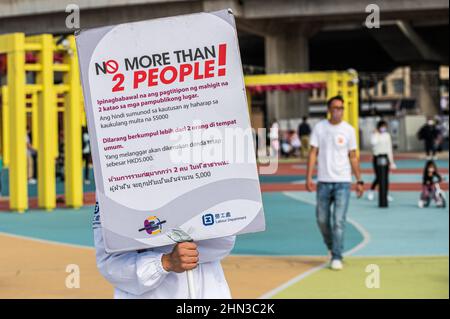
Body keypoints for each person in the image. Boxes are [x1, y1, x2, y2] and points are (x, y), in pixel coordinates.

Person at [93, 200, 236, 298]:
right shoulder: (114, 178)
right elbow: (110, 264)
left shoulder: (199, 166)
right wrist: (165, 262)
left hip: (206, 291)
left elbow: (225, 242)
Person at [306, 95, 364, 271]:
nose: (338, 111)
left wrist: (359, 179)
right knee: (322, 219)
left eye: (341, 108)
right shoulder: (320, 128)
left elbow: (353, 156)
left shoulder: (349, 130)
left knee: (338, 220)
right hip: (323, 181)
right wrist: (309, 177)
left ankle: (337, 255)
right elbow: (313, 153)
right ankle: (332, 246)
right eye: (335, 107)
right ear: (329, 109)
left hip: (343, 183)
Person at [367, 120, 397, 202]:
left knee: (385, 177)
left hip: (385, 157)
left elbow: (389, 149)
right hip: (377, 157)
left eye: (385, 126)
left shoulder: (387, 135)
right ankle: (371, 191)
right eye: (382, 126)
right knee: (379, 176)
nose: (384, 128)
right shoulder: (375, 135)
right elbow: (373, 143)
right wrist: (376, 134)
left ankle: (385, 194)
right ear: (379, 127)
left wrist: (391, 162)